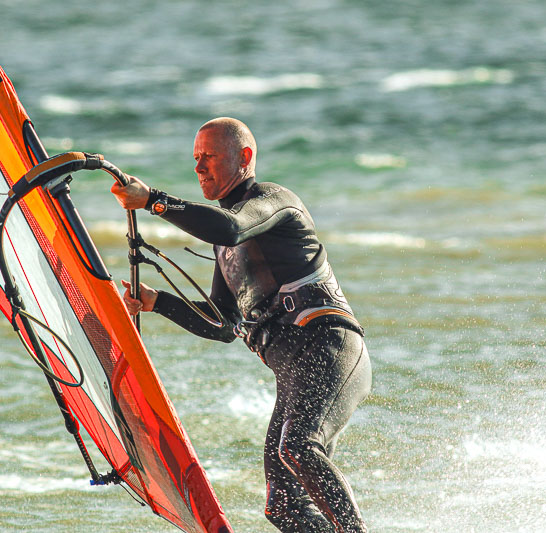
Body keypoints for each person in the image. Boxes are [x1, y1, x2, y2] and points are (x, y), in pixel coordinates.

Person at [110, 117, 372, 533]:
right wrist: (157, 302)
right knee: (283, 506)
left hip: (330, 349)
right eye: (195, 158)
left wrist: (153, 201)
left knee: (300, 448)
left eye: (209, 157)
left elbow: (231, 227)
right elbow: (223, 323)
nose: (198, 168)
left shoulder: (273, 201)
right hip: (295, 372)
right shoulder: (223, 244)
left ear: (244, 158)